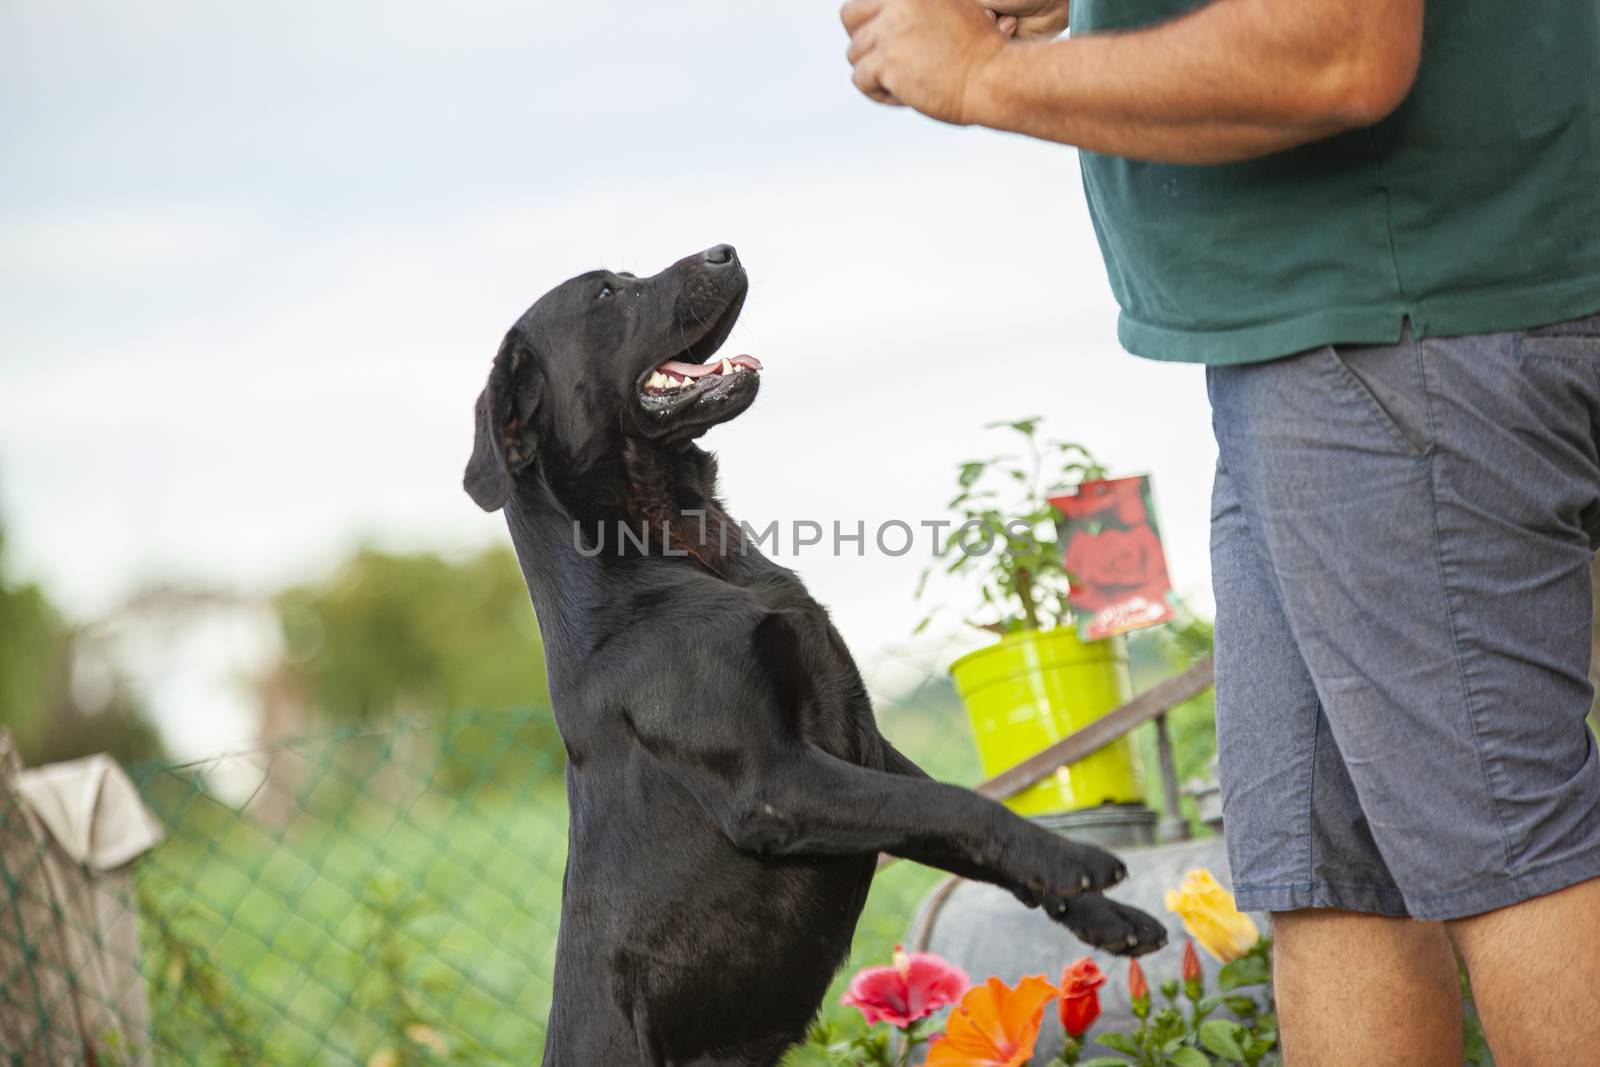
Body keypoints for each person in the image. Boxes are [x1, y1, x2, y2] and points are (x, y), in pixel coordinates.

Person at [839, 2, 1600, 1064]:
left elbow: (1333, 47)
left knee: (1510, 849)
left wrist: (977, 78)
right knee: (1332, 873)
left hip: (1397, 312)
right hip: (1338, 333)